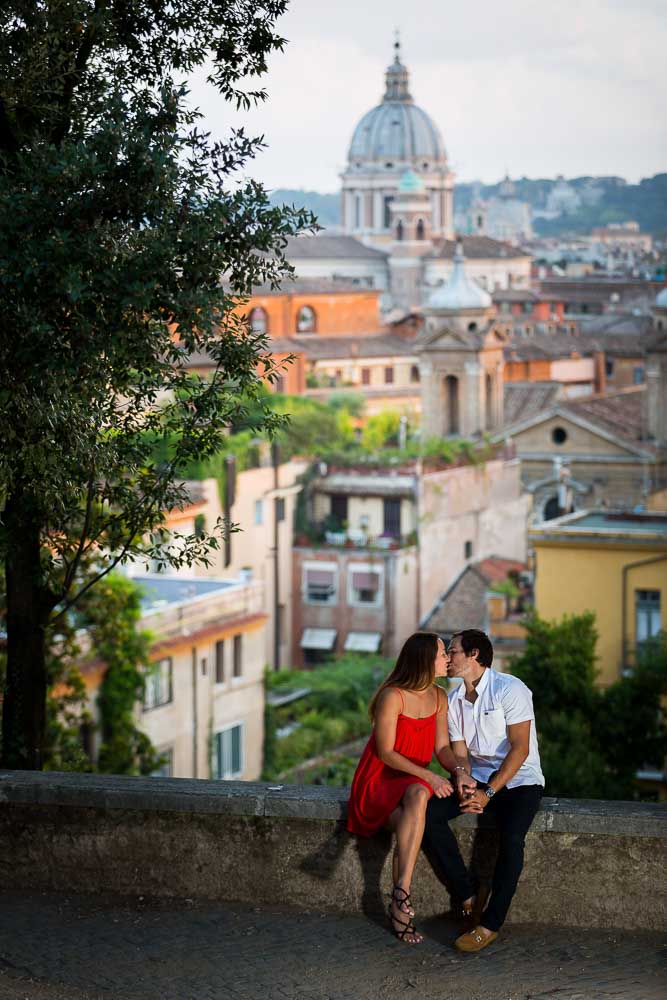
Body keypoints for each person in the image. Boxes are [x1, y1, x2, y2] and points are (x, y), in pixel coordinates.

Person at [347, 631, 475, 944]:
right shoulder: (393, 695)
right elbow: (386, 752)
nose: (448, 659)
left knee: (419, 795)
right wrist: (431, 777)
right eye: (443, 653)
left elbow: (443, 749)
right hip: (380, 779)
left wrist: (459, 772)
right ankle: (402, 899)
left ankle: (400, 894)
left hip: (410, 783)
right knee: (421, 791)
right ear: (424, 660)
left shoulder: (440, 696)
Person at [423, 628, 545, 953]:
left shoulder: (511, 689)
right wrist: (463, 778)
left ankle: (489, 925)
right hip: (477, 778)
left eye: (454, 651)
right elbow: (460, 752)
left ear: (474, 654)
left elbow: (519, 749)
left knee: (511, 840)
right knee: (428, 815)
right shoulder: (452, 701)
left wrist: (487, 793)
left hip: (519, 781)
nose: (448, 658)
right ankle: (468, 895)